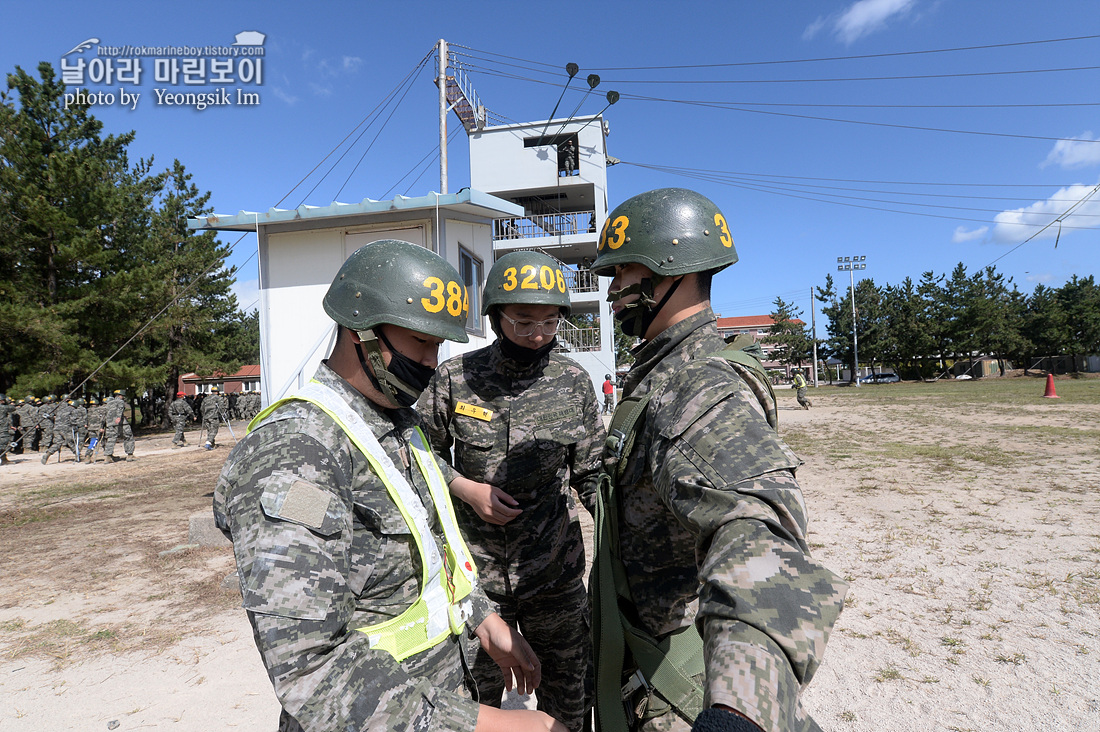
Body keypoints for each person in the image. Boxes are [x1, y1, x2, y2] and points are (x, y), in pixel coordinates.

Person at [213, 239, 567, 732]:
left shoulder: (399, 426)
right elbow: (311, 669)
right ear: (362, 330)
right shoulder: (297, 452)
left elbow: (432, 551)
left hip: (440, 694)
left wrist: (484, 619)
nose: (429, 360)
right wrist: (490, 726)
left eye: (438, 345)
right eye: (419, 342)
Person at [588, 188, 846, 732]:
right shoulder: (667, 366)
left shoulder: (696, 382)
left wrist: (739, 712)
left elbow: (756, 527)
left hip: (673, 685)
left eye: (623, 274)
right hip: (644, 659)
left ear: (666, 271)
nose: (613, 291)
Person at [420, 250, 605, 732]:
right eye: (523, 321)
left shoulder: (573, 383)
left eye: (549, 320)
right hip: (476, 578)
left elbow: (591, 473)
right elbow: (417, 456)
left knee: (569, 696)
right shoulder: (455, 377)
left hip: (553, 576)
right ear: (496, 315)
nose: (537, 333)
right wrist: (465, 488)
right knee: (471, 701)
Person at [102, 389, 135, 462]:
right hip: (120, 423)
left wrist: (103, 425)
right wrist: (119, 417)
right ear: (121, 396)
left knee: (111, 439)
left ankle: (108, 457)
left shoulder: (109, 403)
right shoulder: (120, 401)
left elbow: (105, 415)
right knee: (128, 436)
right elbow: (120, 409)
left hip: (110, 423)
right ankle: (130, 455)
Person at [0, 394, 14, 464]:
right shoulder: (2, 407)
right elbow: (13, 408)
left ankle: (4, 459)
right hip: (2, 428)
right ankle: (3, 459)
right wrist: (8, 402)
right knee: (3, 442)